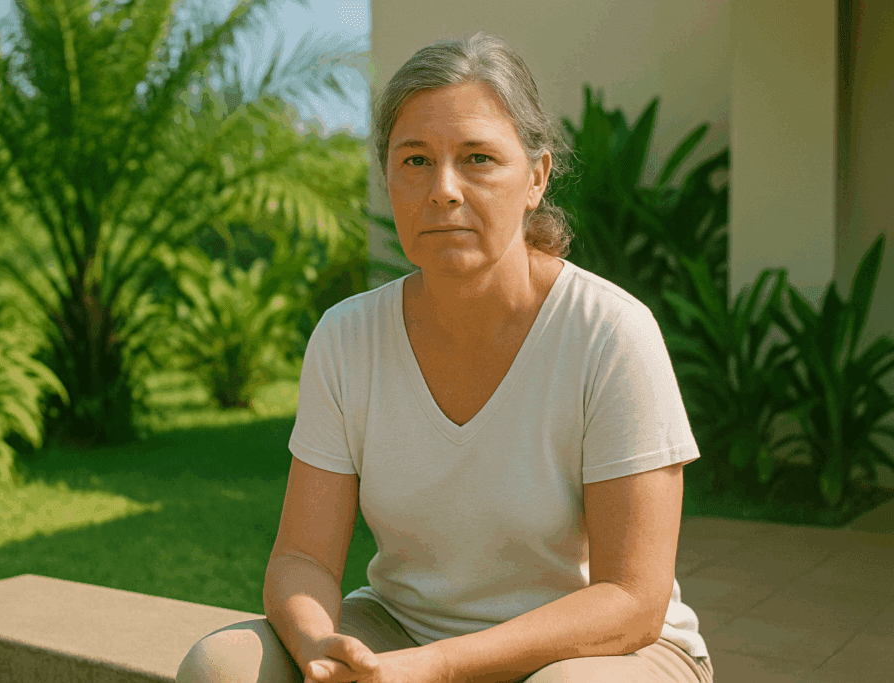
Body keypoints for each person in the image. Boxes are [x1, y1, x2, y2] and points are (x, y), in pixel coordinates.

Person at [177, 31, 714, 683]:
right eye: (415, 161)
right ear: (388, 177)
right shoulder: (348, 338)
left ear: (536, 177)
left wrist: (436, 667)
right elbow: (302, 557)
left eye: (479, 158)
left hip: (596, 652)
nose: (444, 189)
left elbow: (633, 600)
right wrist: (320, 646)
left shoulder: (611, 334)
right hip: (403, 629)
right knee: (220, 666)